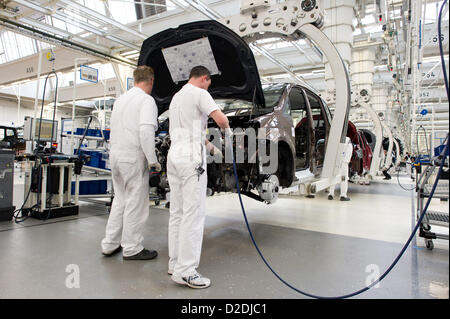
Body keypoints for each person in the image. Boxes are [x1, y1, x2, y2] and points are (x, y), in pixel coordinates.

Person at [167, 66, 229, 289]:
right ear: (204, 78)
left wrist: (215, 151)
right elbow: (221, 120)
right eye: (208, 83)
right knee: (194, 215)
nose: (208, 87)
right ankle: (187, 271)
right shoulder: (201, 93)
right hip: (191, 159)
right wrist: (227, 132)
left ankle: (175, 263)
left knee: (178, 212)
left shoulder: (176, 97)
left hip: (174, 156)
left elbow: (193, 132)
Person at [101, 66, 161, 260]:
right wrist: (153, 161)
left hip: (115, 155)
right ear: (151, 81)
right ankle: (132, 248)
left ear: (135, 80)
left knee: (120, 200)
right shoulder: (146, 100)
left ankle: (110, 244)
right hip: (132, 156)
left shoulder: (120, 100)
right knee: (136, 202)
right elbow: (145, 132)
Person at [328, 137, 353, 201]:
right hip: (343, 162)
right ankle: (343, 195)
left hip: (335, 161)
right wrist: (347, 161)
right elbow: (350, 151)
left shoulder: (334, 137)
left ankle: (331, 194)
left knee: (333, 177)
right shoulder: (347, 139)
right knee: (344, 178)